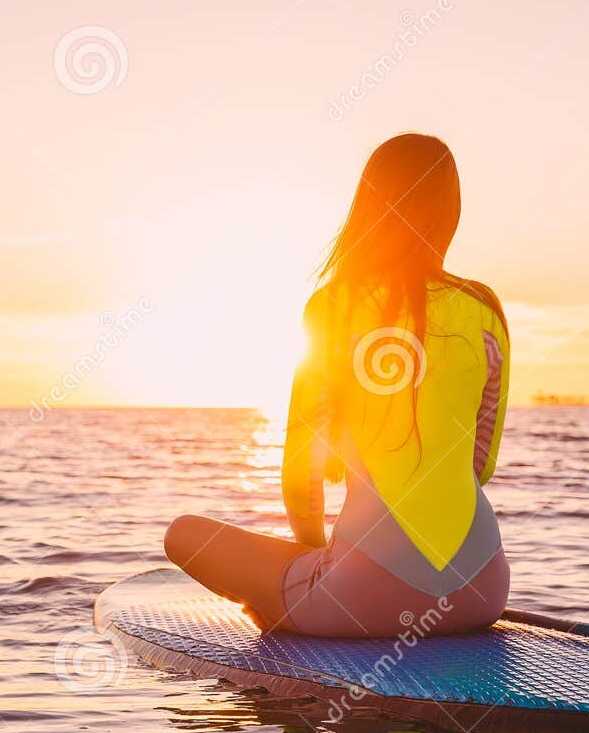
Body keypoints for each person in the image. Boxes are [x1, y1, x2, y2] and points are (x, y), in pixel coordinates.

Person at [164, 133, 510, 637]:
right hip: (484, 592)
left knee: (183, 535)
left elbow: (301, 477)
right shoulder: (486, 310)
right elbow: (482, 463)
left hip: (361, 600)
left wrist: (314, 554)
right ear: (450, 211)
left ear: (368, 206)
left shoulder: (334, 307)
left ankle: (295, 607)